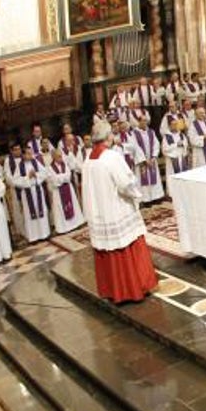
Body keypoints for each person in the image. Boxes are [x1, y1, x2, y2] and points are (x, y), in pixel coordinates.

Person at [82, 120, 157, 303]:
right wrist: (135, 194)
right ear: (108, 136)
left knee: (109, 251)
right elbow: (125, 184)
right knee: (126, 245)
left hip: (100, 213)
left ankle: (113, 290)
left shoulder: (88, 159)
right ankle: (134, 288)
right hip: (116, 210)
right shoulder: (111, 157)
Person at [6, 144, 51, 243]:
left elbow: (46, 173)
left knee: (41, 210)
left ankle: (44, 234)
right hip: (27, 193)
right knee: (29, 214)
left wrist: (37, 175)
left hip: (37, 189)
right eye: (28, 153)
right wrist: (27, 178)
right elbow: (15, 181)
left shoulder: (35, 162)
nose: (31, 155)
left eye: (31, 153)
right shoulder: (20, 166)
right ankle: (34, 237)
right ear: (24, 155)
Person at [42, 149, 85, 236]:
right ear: (53, 157)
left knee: (72, 204)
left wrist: (60, 177)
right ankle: (64, 228)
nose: (61, 158)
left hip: (68, 188)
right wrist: (62, 178)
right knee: (60, 208)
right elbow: (53, 180)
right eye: (58, 156)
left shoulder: (65, 165)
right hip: (58, 192)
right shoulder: (49, 168)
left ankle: (75, 224)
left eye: (61, 155)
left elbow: (68, 176)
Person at [131, 116, 164, 203]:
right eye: (143, 121)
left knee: (154, 178)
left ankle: (155, 197)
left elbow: (156, 144)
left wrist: (153, 156)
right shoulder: (134, 133)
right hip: (142, 161)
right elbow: (135, 147)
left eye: (146, 121)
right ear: (139, 122)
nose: (145, 123)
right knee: (143, 180)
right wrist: (144, 160)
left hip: (151, 160)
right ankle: (145, 199)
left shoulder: (151, 132)